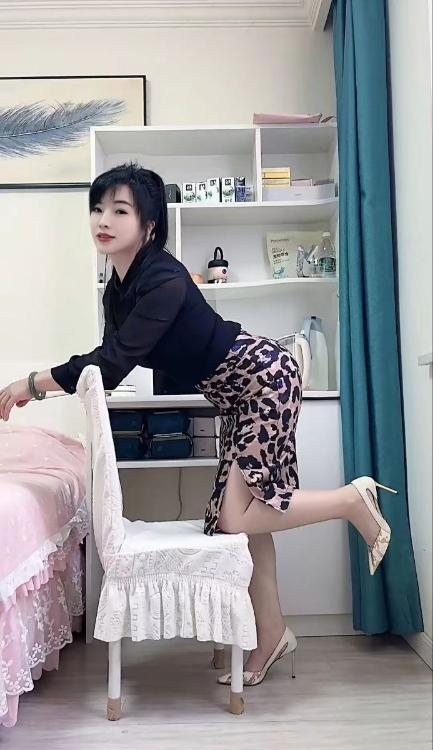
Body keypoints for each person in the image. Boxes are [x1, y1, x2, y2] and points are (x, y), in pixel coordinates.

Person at [0, 163, 395, 687]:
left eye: (120, 210)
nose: (103, 220)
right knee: (242, 521)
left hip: (263, 380)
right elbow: (112, 356)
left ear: (149, 225)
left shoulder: (164, 278)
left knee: (234, 518)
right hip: (235, 397)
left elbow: (111, 364)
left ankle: (351, 501)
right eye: (97, 208)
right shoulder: (119, 287)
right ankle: (272, 634)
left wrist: (32, 383)